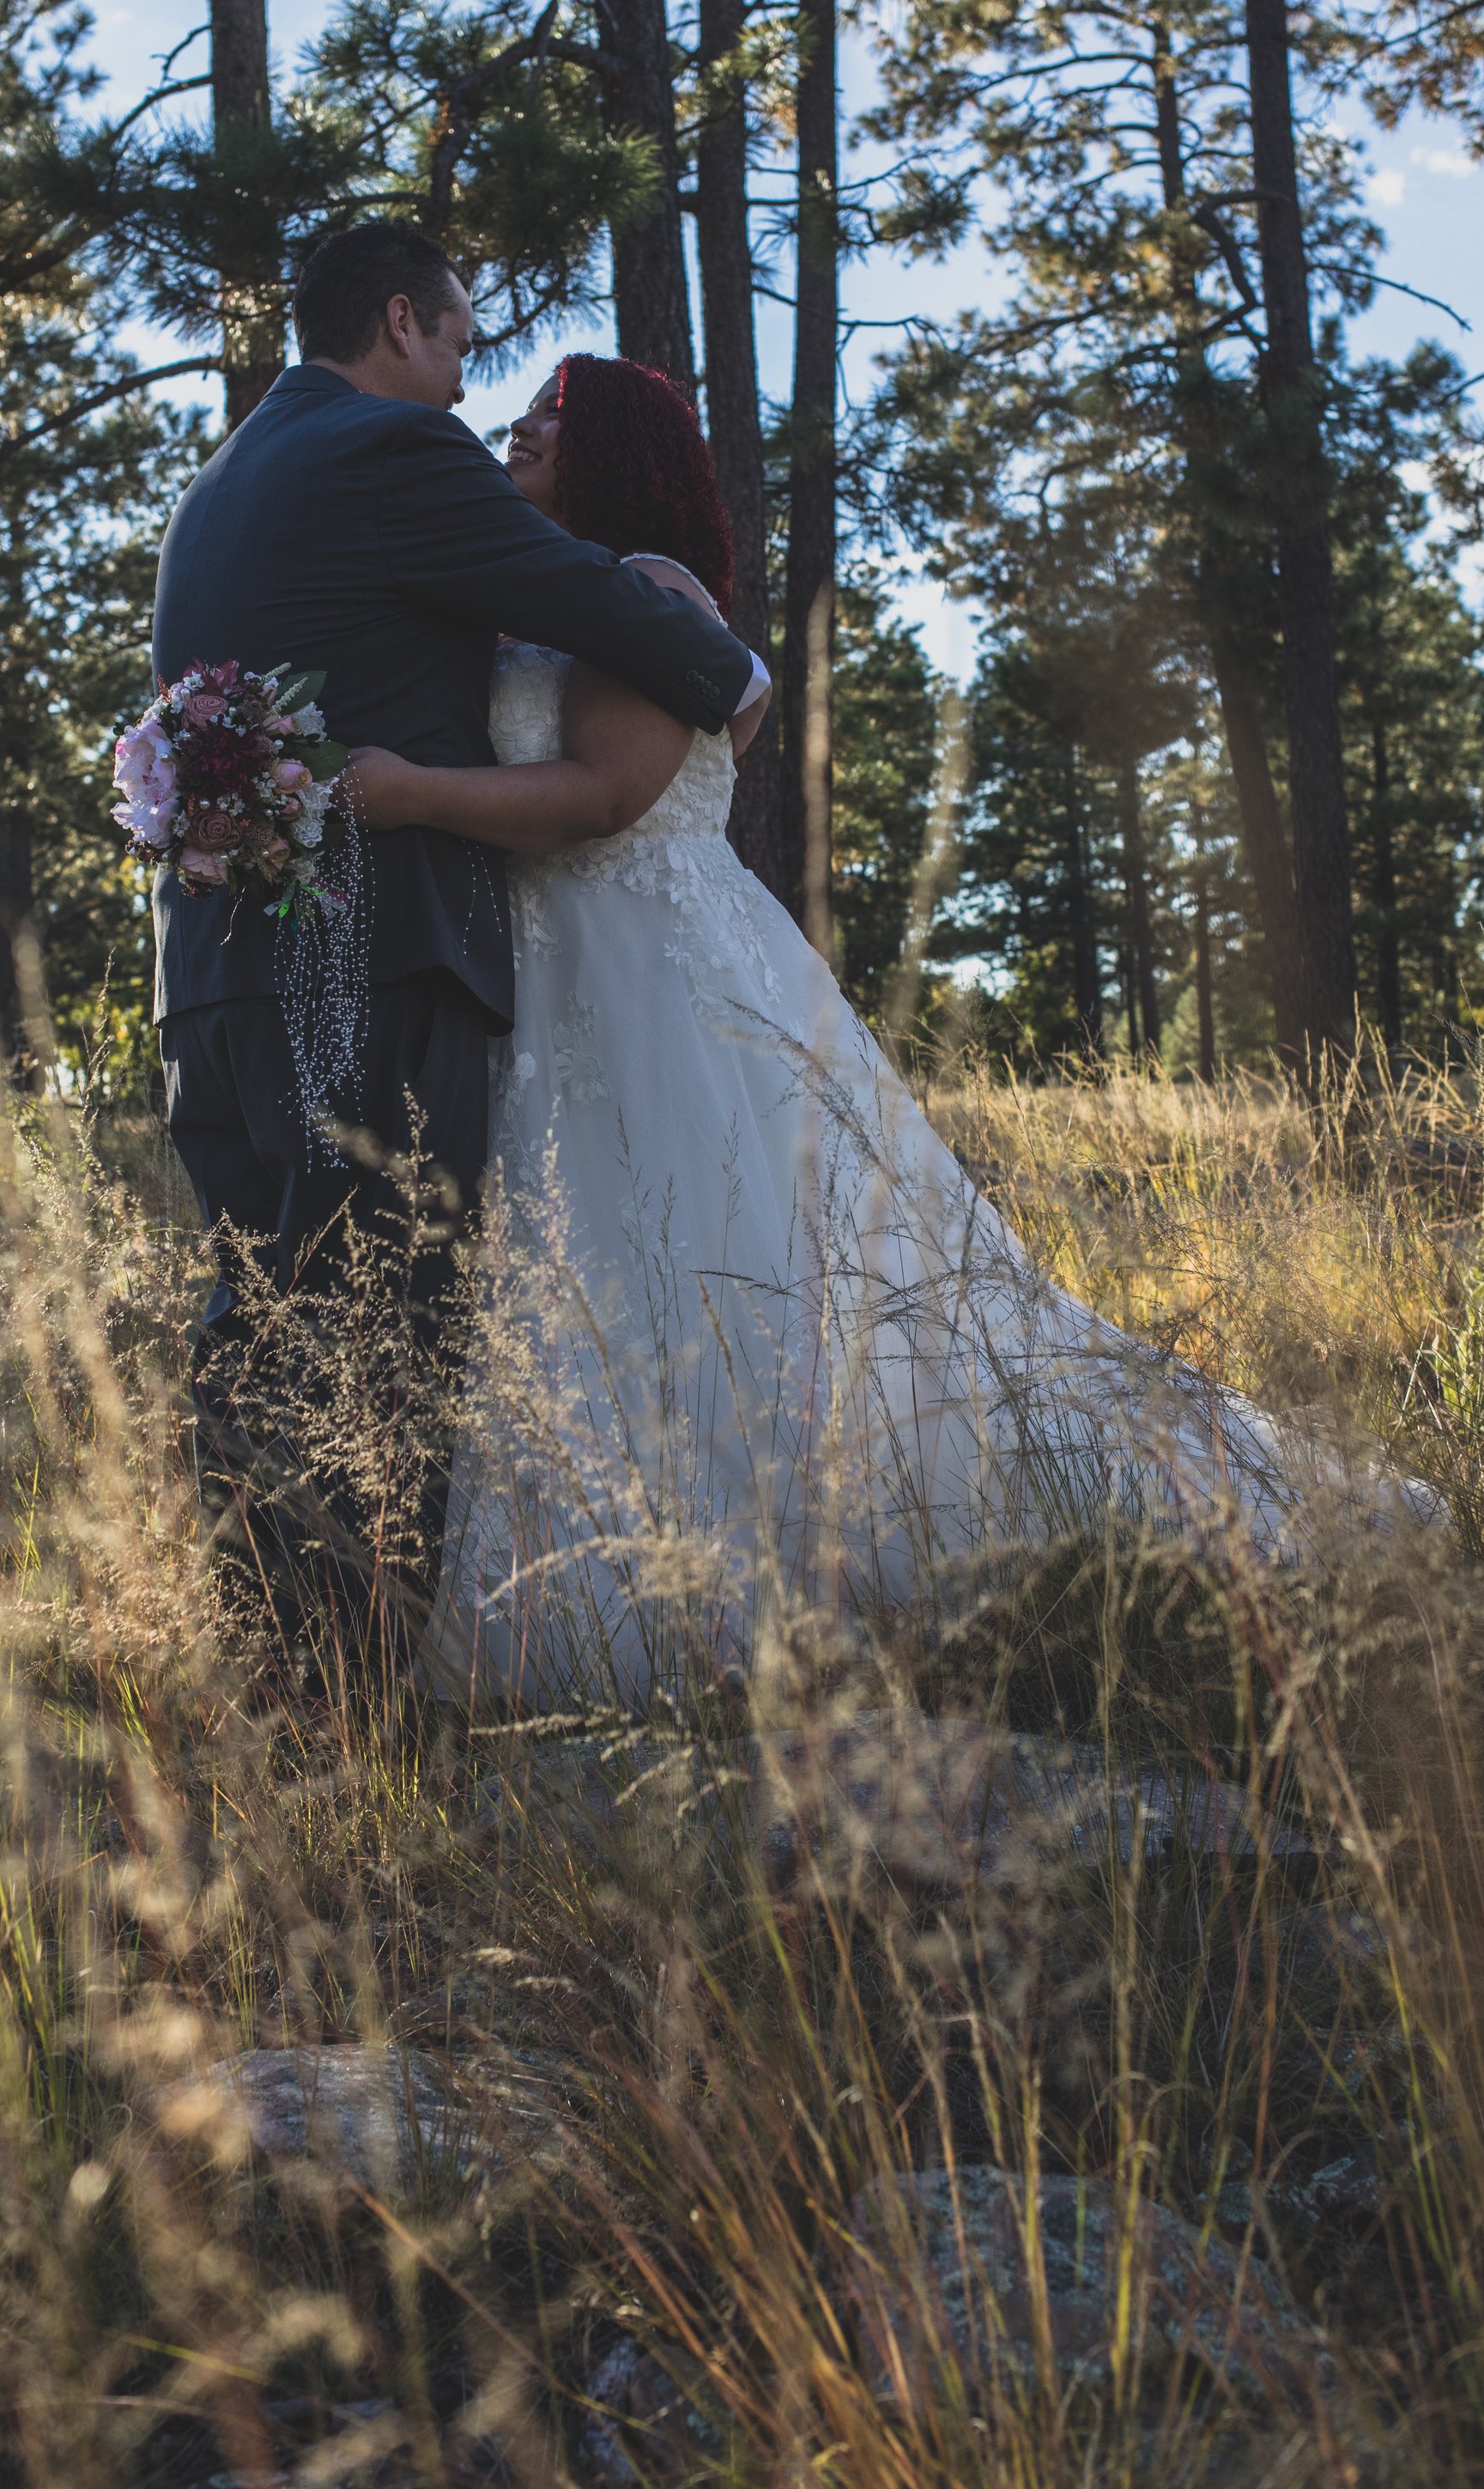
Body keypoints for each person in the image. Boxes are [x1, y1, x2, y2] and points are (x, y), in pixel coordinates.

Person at [342, 355, 1307, 1714]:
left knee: (711, 1249)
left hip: (644, 958)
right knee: (608, 1266)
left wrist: (411, 794)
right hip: (562, 966)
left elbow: (608, 793)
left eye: (550, 418)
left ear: (612, 445)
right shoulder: (552, 596)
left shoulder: (644, 588)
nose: (519, 430)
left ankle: (747, 1580)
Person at [150, 229, 764, 1696]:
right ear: (404, 320)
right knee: (377, 1316)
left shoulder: (216, 488)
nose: (473, 375)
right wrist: (723, 670)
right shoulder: (395, 450)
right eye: (463, 334)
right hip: (364, 952)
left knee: (258, 1313)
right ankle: (354, 1700)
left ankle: (273, 1674)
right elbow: (615, 619)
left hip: (217, 965)